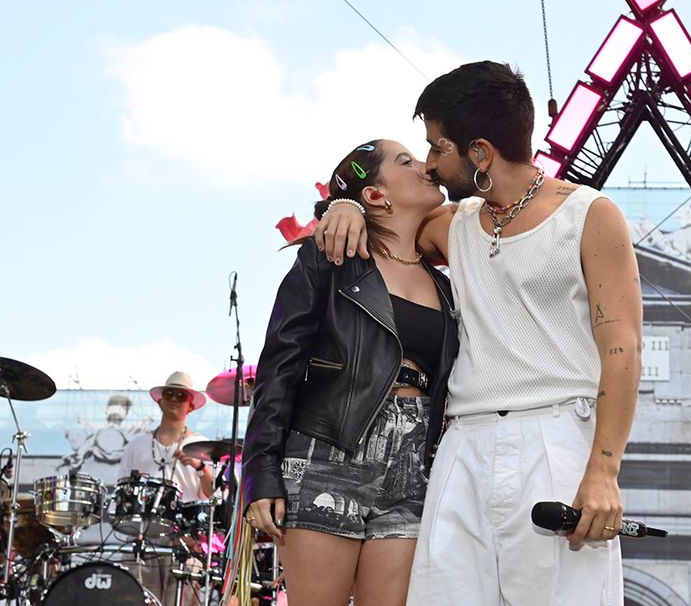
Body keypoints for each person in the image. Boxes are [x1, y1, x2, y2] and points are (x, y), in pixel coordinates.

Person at [315, 61, 643, 605]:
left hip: (556, 437)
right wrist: (347, 202)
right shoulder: (453, 223)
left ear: (481, 153)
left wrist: (603, 473)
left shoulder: (590, 215)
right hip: (462, 446)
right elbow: (387, 219)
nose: (428, 164)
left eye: (438, 148)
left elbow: (622, 347)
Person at [242, 139, 460, 606]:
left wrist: (342, 202)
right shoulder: (330, 258)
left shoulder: (444, 284)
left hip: (413, 465)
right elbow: (278, 368)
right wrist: (260, 470)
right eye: (406, 161)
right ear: (377, 195)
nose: (425, 166)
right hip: (327, 456)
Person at [118, 371, 214, 606]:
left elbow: (214, 495)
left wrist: (200, 467)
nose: (173, 398)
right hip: (142, 538)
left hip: (183, 541)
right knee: (136, 600)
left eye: (180, 395)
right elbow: (121, 492)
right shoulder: (137, 444)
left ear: (190, 406)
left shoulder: (202, 446)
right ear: (159, 400)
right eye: (168, 393)